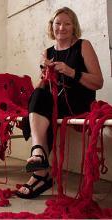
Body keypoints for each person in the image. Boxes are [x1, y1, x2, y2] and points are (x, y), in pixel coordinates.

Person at [16, 7, 103, 199]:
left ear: (74, 27)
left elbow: (98, 82)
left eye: (67, 23)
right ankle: (38, 155)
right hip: (55, 103)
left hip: (79, 103)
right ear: (52, 26)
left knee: (41, 104)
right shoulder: (47, 52)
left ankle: (40, 173)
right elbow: (39, 89)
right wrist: (44, 75)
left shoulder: (83, 45)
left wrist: (71, 71)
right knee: (39, 95)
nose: (61, 27)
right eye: (57, 23)